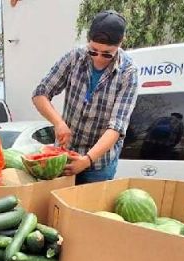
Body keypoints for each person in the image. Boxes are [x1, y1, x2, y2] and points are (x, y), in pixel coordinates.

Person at [32, 10, 138, 184]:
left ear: (120, 43)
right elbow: (40, 93)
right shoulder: (75, 57)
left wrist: (87, 160)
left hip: (99, 165)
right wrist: (59, 123)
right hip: (63, 157)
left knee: (88, 209)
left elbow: (116, 128)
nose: (98, 58)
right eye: (93, 51)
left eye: (107, 54)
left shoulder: (128, 73)